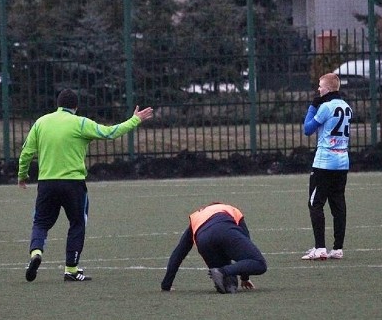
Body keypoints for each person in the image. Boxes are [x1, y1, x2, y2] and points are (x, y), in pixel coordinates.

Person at [18, 88, 154, 282]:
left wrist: (22, 175)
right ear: (76, 106)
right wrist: (135, 120)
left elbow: (26, 153)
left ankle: (36, 253)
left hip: (47, 184)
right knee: (77, 223)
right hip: (73, 184)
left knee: (40, 222)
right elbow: (110, 133)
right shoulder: (80, 123)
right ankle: (71, 269)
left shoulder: (41, 122)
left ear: (58, 104)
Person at [161, 202, 267, 294]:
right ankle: (223, 272)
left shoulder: (196, 217)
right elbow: (246, 243)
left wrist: (166, 284)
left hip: (204, 241)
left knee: (225, 282)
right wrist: (245, 277)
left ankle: (222, 275)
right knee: (259, 263)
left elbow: (179, 253)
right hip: (225, 230)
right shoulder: (231, 209)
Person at [301, 73, 352, 260]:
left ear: (329, 89)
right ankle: (338, 248)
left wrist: (312, 106)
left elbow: (307, 129)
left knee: (315, 203)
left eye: (321, 86)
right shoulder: (346, 107)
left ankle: (320, 248)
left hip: (324, 162)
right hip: (342, 161)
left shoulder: (325, 107)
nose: (318, 90)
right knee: (338, 203)